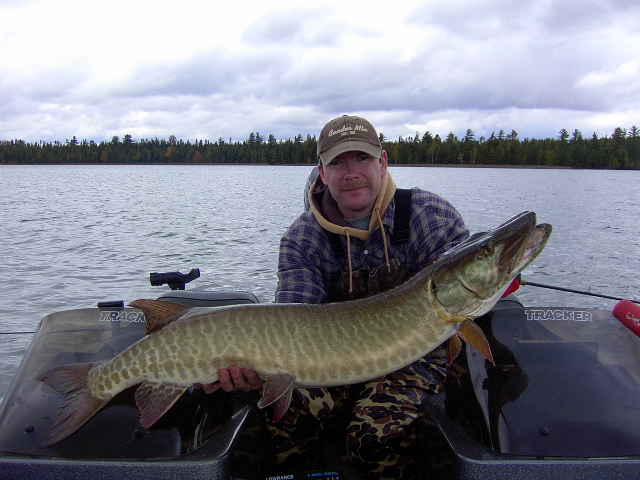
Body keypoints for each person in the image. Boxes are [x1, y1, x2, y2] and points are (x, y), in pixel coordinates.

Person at [215, 115, 469, 479]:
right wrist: (254, 368)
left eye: (362, 158)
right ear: (322, 173)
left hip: (416, 355)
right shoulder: (302, 239)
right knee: (281, 424)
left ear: (382, 162)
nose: (351, 173)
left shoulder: (429, 216)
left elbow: (462, 283)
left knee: (373, 439)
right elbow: (292, 323)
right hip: (324, 359)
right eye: (337, 162)